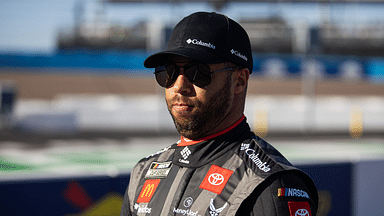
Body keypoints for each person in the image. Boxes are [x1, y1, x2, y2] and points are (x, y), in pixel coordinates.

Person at [120, 12, 318, 216]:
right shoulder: (143, 174)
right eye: (168, 72)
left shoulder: (269, 184)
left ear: (239, 81)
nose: (179, 86)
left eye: (197, 72)